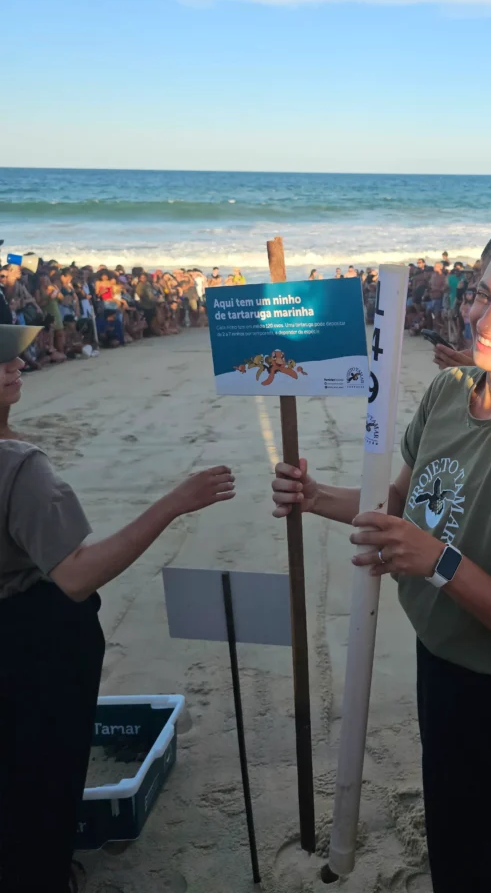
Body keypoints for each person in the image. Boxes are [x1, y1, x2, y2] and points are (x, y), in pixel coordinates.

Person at [272, 221, 491, 893]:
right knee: (455, 860)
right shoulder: (448, 393)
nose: (485, 319)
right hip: (439, 668)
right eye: (482, 294)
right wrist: (315, 497)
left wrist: (439, 562)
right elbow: (400, 504)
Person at [0, 324, 236, 893]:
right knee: (41, 772)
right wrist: (174, 503)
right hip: (31, 645)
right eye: (2, 362)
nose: (16, 365)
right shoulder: (19, 467)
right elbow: (77, 575)